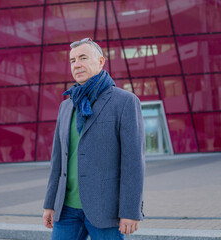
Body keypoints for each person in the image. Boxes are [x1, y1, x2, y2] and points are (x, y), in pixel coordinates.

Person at [43, 37, 145, 240]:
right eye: (72, 60)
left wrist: (131, 211)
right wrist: (50, 204)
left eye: (82, 57)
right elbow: (58, 161)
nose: (77, 64)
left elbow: (133, 162)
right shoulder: (66, 106)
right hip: (66, 210)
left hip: (106, 211)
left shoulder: (125, 102)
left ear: (100, 61)